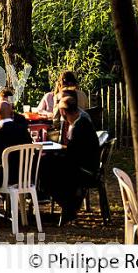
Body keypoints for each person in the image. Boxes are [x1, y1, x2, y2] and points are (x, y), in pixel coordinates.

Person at [39, 95, 100, 225]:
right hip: (88, 165)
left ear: (63, 112)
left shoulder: (79, 127)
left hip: (83, 170)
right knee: (48, 164)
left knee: (44, 170)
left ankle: (69, 205)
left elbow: (72, 156)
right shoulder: (83, 122)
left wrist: (54, 156)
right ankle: (69, 203)